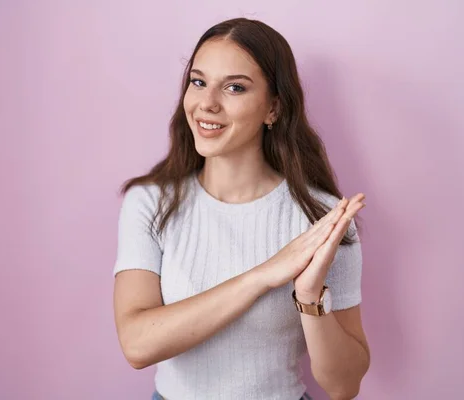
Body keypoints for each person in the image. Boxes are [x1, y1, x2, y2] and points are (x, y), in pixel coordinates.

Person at [112, 18, 370, 400]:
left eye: (234, 87)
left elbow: (344, 386)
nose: (207, 103)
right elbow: (137, 345)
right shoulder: (150, 204)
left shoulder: (323, 220)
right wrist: (263, 276)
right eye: (198, 82)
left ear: (274, 108)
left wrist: (310, 296)